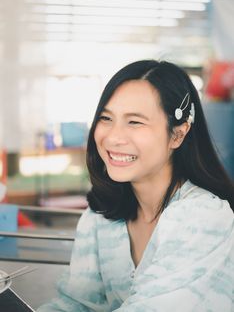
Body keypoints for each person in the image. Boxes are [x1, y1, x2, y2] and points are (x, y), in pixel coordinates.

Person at [38, 60, 234, 312]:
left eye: (135, 122)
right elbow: (76, 304)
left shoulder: (203, 217)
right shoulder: (100, 216)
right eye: (106, 118)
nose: (113, 137)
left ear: (178, 134)